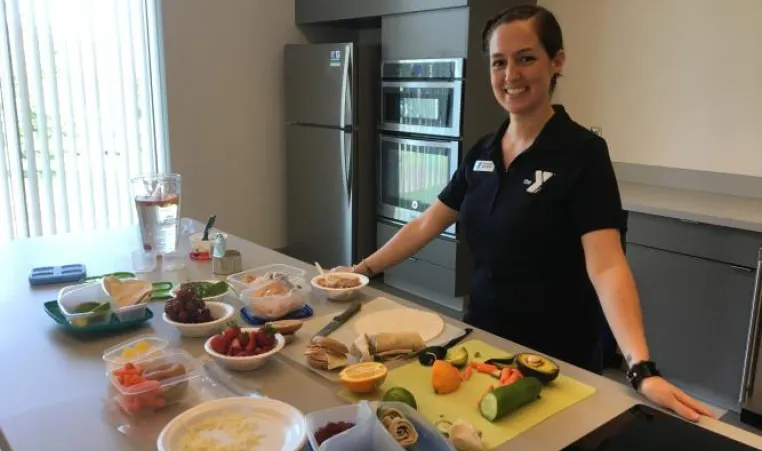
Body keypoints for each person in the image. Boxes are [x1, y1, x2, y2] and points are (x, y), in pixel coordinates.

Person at [334, 4, 713, 422]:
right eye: (499, 62)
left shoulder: (583, 154)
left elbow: (607, 265)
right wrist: (361, 270)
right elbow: (429, 222)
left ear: (557, 61)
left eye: (526, 58)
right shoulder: (482, 151)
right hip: (481, 345)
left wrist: (641, 368)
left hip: (555, 362)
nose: (511, 74)